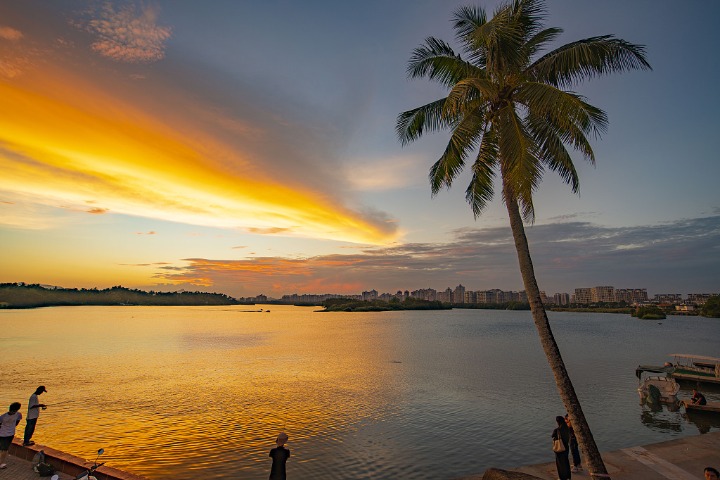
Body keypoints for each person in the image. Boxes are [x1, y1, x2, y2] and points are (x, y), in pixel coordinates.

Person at [0, 402, 22, 469]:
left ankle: (1, 462)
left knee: (3, 450)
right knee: (4, 450)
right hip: (5, 434)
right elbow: (16, 423)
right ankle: (1, 463)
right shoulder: (18, 415)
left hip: (6, 434)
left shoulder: (3, 417)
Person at [552, 415, 572, 480]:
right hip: (566, 447)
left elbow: (552, 436)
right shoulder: (567, 428)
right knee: (566, 461)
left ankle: (562, 477)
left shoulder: (557, 430)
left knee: (560, 463)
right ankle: (568, 476)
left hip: (560, 448)